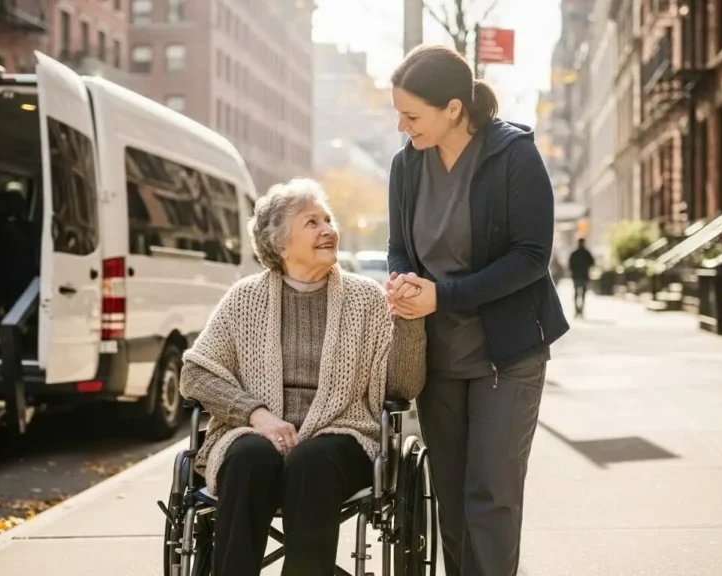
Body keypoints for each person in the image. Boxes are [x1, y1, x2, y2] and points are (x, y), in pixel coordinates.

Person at [383, 44, 570, 575]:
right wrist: (403, 280)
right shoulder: (406, 165)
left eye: (412, 115)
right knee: (451, 497)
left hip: (506, 353)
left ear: (453, 109)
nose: (402, 126)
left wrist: (444, 296)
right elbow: (399, 246)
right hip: (438, 355)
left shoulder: (514, 155)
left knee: (491, 498)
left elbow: (531, 256)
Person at [179, 178, 427, 576]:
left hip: (342, 436)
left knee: (311, 461)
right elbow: (195, 372)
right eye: (312, 222)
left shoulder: (366, 298)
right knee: (248, 458)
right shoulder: (244, 298)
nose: (328, 229)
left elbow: (402, 387)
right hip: (256, 433)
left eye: (328, 220)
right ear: (280, 243)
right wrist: (256, 415)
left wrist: (409, 321)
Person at [568, 238, 595, 317]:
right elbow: (592, 263)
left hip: (577, 276)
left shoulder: (574, 253)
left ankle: (577, 310)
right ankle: (580, 310)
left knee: (577, 293)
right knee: (582, 293)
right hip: (584, 275)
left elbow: (570, 265)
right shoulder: (586, 253)